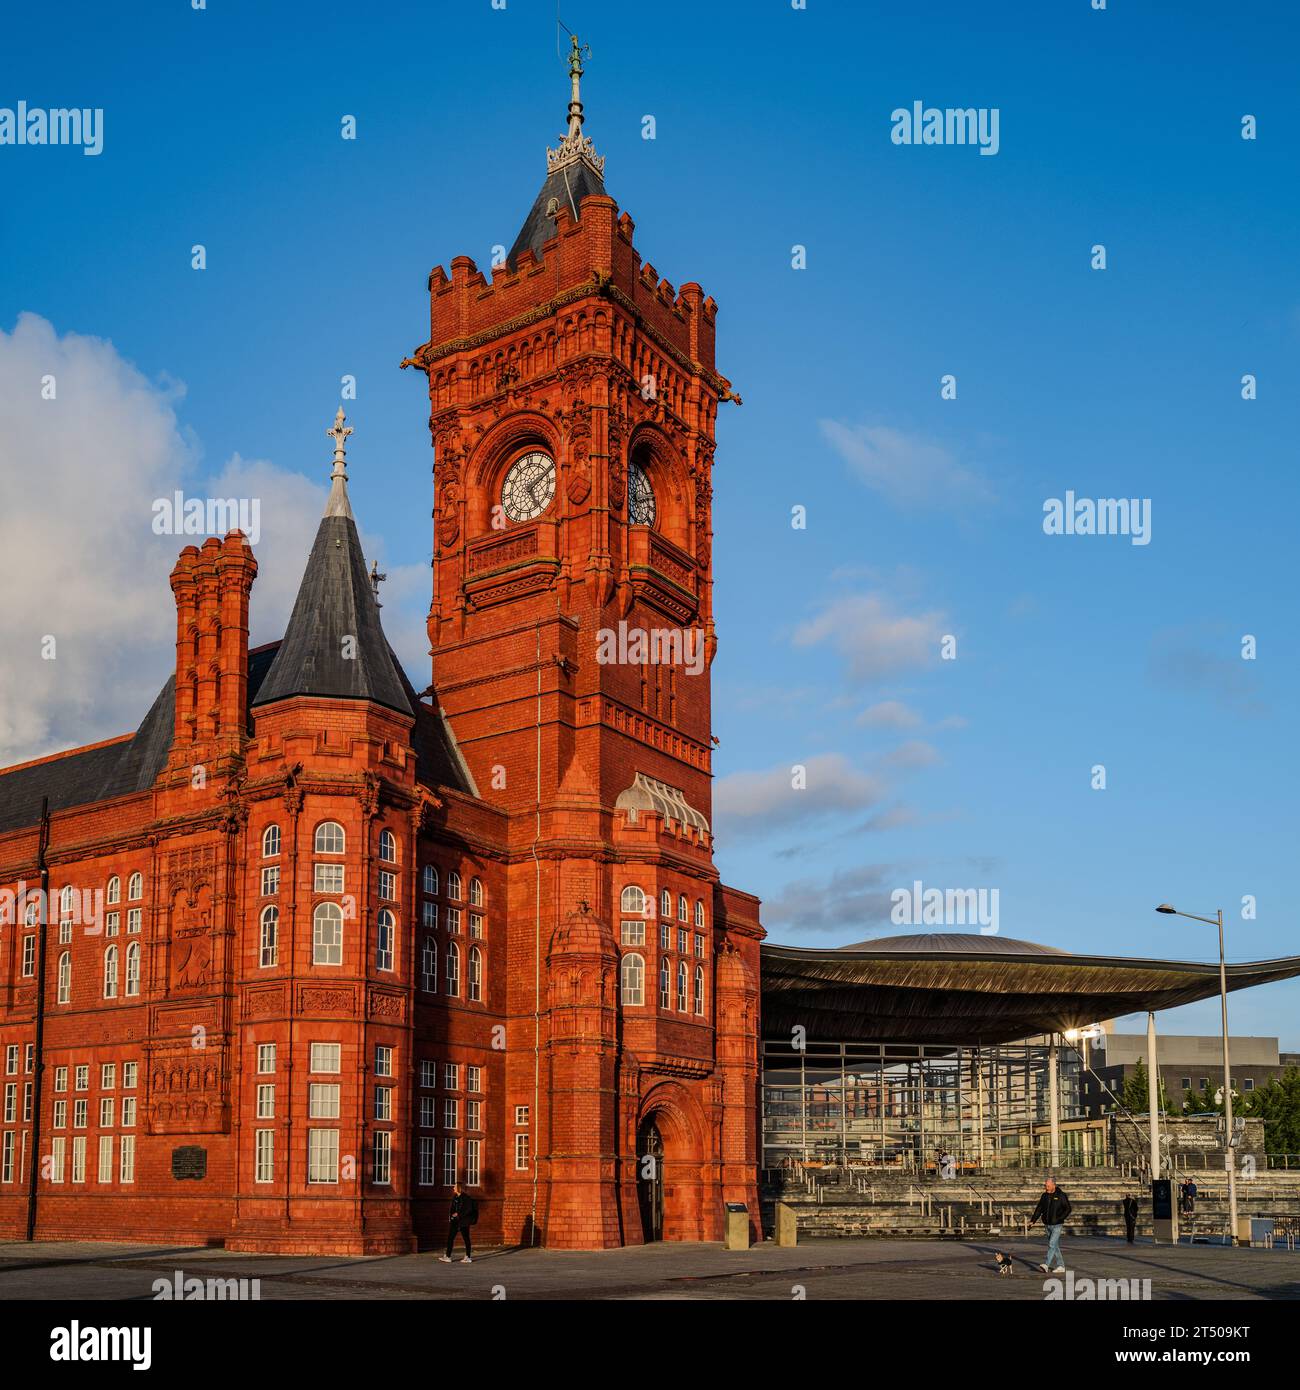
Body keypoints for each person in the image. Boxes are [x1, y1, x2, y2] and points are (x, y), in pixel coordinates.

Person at [1029, 1176, 1071, 1273]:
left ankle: (1046, 1265)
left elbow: (1068, 1209)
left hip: (1057, 1225)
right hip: (1047, 1225)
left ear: (1053, 1185)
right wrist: (1033, 1221)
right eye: (1045, 1186)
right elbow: (1039, 1209)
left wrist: (1060, 1218)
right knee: (1054, 1246)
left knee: (1051, 1244)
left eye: (1048, 1186)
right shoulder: (1044, 1196)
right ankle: (1061, 1266)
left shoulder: (1061, 1195)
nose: (1046, 1187)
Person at [438, 1183, 477, 1264]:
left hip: (464, 1222)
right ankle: (448, 1256)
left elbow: (468, 1209)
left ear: (459, 1188)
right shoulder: (455, 1197)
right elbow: (452, 1209)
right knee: (450, 1238)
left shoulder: (466, 1198)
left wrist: (458, 1214)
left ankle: (468, 1257)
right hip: (455, 1221)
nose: (453, 1188)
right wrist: (451, 1217)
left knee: (466, 1238)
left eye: (454, 1187)